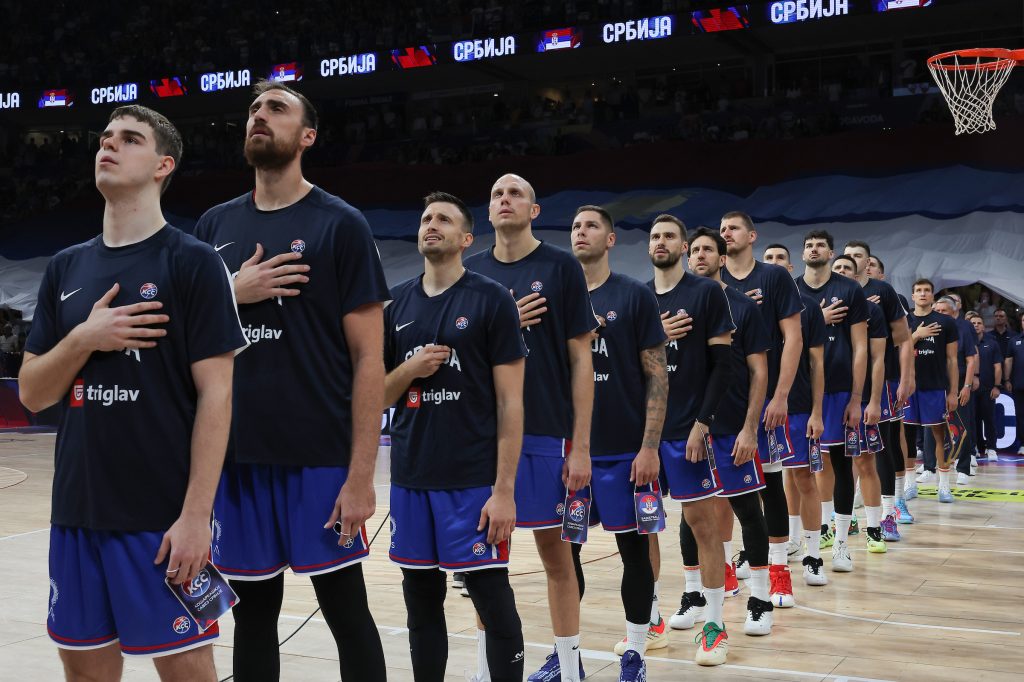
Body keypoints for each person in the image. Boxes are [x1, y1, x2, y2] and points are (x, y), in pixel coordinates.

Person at [20, 105, 245, 681]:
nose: (108, 145)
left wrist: (196, 516)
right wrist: (84, 338)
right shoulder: (65, 267)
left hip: (161, 517)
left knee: (188, 670)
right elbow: (33, 394)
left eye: (129, 139)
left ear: (163, 165)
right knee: (85, 673)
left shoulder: (194, 262)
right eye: (104, 137)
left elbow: (218, 397)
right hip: (77, 512)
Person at [193, 81, 389, 681]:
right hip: (237, 462)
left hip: (319, 460)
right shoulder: (214, 224)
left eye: (276, 108)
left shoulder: (341, 224)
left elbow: (369, 360)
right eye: (254, 108)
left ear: (307, 136)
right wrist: (233, 292)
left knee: (346, 611)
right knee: (252, 617)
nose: (259, 115)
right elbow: (189, 343)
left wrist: (361, 476)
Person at [384, 192, 526, 682]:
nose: (431, 224)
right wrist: (411, 368)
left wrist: (504, 491)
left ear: (466, 238)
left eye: (443, 219)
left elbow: (511, 403)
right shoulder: (396, 303)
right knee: (421, 604)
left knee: (492, 600)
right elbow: (376, 396)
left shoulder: (491, 299)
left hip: (472, 482)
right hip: (410, 479)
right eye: (426, 218)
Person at [464, 174, 595, 682]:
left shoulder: (561, 267)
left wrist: (581, 446)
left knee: (557, 558)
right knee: (484, 566)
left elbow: (581, 360)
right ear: (487, 210)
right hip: (483, 439)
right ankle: (485, 671)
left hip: (547, 433)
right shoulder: (471, 271)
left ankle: (570, 668)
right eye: (497, 194)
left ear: (534, 210)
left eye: (515, 193)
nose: (505, 200)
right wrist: (502, 323)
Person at [571, 205, 667, 680]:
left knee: (633, 552)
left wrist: (649, 447)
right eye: (575, 226)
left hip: (624, 453)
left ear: (610, 239)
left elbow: (657, 377)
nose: (580, 232)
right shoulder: (557, 297)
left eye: (591, 226)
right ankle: (566, 655)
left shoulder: (633, 295)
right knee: (565, 554)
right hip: (570, 454)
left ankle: (635, 652)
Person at [646, 215, 734, 666]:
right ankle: (649, 621)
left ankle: (715, 626)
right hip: (645, 435)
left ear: (684, 247)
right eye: (654, 236)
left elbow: (723, 365)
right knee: (643, 527)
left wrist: (704, 422)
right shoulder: (639, 296)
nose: (660, 242)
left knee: (703, 525)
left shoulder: (705, 293)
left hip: (687, 431)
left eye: (669, 236)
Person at [690, 227, 777, 636]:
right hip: (690, 431)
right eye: (694, 250)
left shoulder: (743, 307)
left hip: (732, 429)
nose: (699, 255)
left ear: (722, 259)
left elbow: (759, 372)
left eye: (708, 249)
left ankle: (760, 599)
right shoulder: (680, 306)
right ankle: (694, 595)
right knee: (691, 517)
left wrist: (750, 429)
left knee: (747, 511)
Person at [719, 215, 803, 608]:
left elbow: (793, 338)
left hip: (763, 400)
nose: (726, 233)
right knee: (718, 492)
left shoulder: (773, 277)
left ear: (751, 236)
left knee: (769, 485)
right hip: (719, 405)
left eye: (733, 228)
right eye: (722, 228)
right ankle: (722, 568)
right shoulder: (711, 281)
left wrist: (781, 395)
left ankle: (779, 570)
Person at [795, 230, 868, 572]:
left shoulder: (850, 289)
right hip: (800, 392)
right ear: (803, 253)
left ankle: (841, 544)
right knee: (797, 470)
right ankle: (796, 538)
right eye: (809, 245)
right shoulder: (791, 290)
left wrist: (857, 398)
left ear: (831, 251)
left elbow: (861, 347)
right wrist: (816, 320)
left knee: (840, 464)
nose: (814, 249)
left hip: (839, 392)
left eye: (820, 245)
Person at [762, 244, 828, 587]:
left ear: (790, 268)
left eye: (779, 259)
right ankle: (780, 543)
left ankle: (813, 555)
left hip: (799, 407)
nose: (773, 264)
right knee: (766, 484)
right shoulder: (748, 303)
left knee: (803, 478)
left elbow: (817, 364)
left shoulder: (809, 308)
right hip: (758, 407)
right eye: (768, 259)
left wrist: (817, 411)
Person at [843, 241, 915, 540]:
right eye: (848, 255)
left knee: (882, 446)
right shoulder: (834, 293)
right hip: (840, 383)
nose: (852, 259)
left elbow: (904, 338)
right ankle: (845, 515)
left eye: (858, 255)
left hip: (880, 380)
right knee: (844, 451)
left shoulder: (883, 292)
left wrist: (907, 377)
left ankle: (889, 513)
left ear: (867, 261)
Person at [831, 255, 891, 547]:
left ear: (856, 278)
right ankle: (830, 525)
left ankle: (874, 528)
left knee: (865, 462)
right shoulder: (817, 308)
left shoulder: (872, 311)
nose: (842, 272)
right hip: (827, 398)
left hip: (862, 397)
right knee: (826, 466)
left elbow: (878, 359)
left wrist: (875, 400)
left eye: (847, 269)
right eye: (837, 268)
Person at [905, 280, 960, 502]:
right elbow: (896, 351)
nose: (923, 293)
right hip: (907, 388)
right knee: (906, 437)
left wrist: (953, 392)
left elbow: (952, 360)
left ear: (933, 295)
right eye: (918, 290)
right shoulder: (904, 320)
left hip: (935, 387)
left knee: (941, 435)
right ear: (912, 295)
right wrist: (917, 335)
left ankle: (944, 486)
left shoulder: (946, 322)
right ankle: (909, 484)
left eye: (927, 290)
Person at [966, 311, 1002, 462]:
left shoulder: (992, 343)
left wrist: (997, 386)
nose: (976, 325)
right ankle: (974, 447)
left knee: (989, 420)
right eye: (973, 323)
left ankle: (991, 448)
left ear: (983, 326)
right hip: (969, 389)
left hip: (988, 389)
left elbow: (998, 367)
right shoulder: (965, 342)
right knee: (971, 420)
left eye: (979, 323)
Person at [1002, 311, 1024, 455]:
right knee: (1021, 415)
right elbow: (1008, 361)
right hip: (1019, 384)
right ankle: (1023, 443)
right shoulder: (1014, 340)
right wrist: (1007, 379)